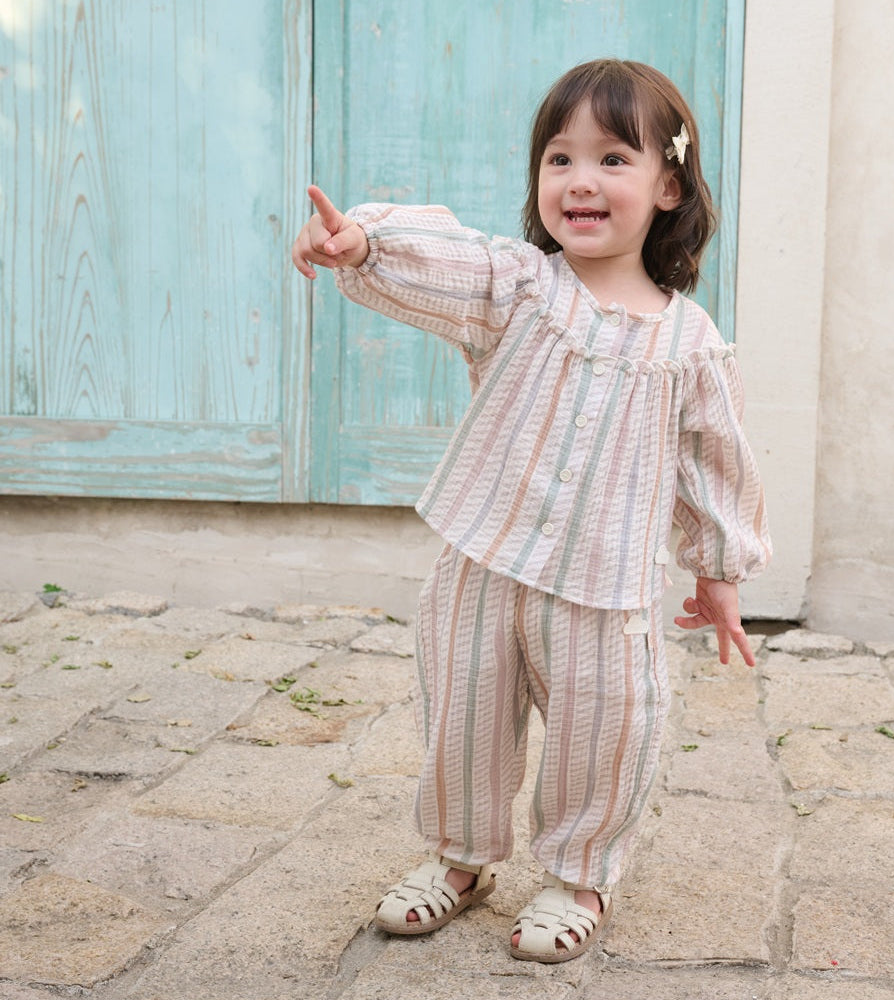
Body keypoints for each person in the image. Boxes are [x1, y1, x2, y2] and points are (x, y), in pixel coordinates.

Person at [291, 58, 770, 964]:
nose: (580, 179)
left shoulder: (691, 345)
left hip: (604, 584)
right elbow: (454, 262)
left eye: (612, 159)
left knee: (608, 727)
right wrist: (362, 244)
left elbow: (714, 464)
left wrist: (719, 574)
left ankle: (580, 875)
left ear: (668, 186)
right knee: (463, 716)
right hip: (483, 559)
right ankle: (460, 858)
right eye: (560, 158)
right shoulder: (519, 290)